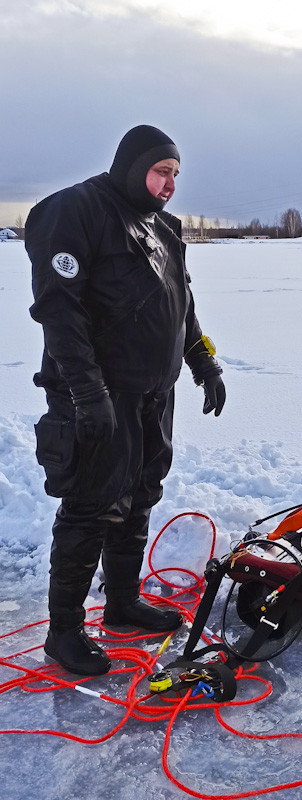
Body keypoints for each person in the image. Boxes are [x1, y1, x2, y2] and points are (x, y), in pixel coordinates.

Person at [26, 125, 226, 676]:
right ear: (131, 165)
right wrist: (86, 393)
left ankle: (120, 604)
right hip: (96, 395)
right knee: (90, 505)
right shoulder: (75, 211)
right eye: (161, 172)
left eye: (175, 175)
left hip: (151, 394)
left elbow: (180, 303)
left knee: (139, 496)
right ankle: (63, 631)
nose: (169, 185)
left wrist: (203, 361)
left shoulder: (164, 226)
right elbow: (59, 311)